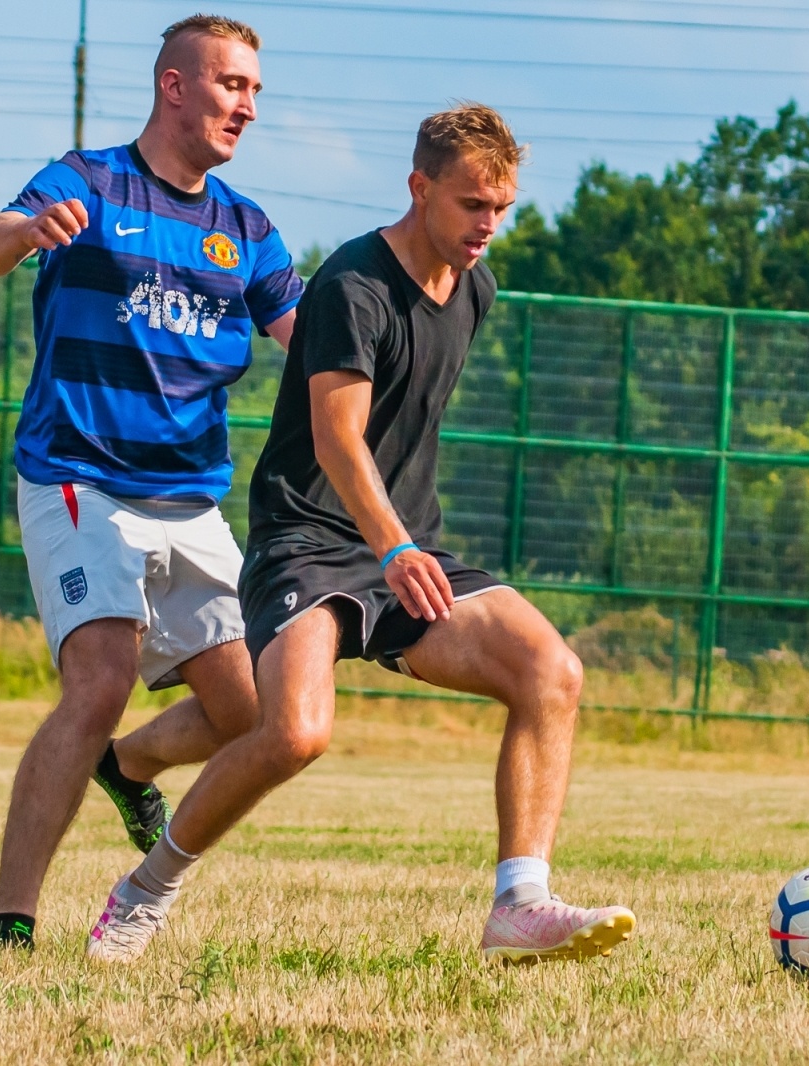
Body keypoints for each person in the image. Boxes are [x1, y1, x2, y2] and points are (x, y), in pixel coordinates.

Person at [83, 103, 637, 965]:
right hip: (307, 541)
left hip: (403, 544)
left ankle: (519, 903)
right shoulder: (353, 286)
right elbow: (340, 441)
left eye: (502, 208)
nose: (488, 226)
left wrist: (406, 545)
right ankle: (142, 893)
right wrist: (394, 546)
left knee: (550, 672)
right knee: (293, 733)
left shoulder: (475, 285)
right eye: (470, 205)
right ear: (419, 188)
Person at [0, 14, 302, 948]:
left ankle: (126, 768)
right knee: (102, 675)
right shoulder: (89, 179)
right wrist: (30, 230)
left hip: (191, 495)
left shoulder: (248, 228)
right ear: (176, 86)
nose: (247, 105)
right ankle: (11, 920)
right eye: (233, 84)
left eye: (256, 91)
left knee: (254, 714)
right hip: (80, 478)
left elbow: (308, 341)